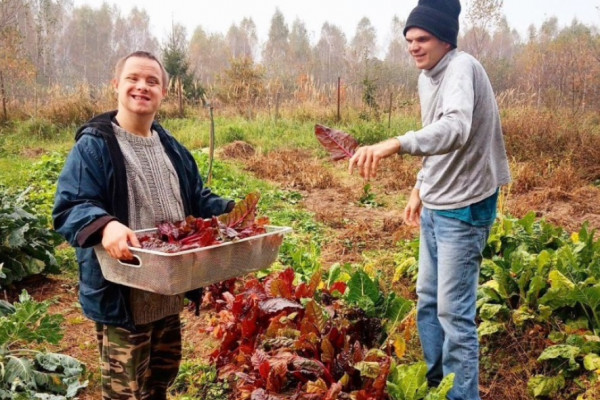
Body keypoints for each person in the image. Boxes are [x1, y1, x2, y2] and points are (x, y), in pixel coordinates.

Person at [348, 1, 511, 399]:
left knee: (454, 313)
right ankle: (439, 386)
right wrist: (420, 185)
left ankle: (461, 395)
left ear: (445, 40)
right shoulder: (427, 77)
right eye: (408, 41)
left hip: (466, 205)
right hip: (438, 201)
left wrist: (396, 144)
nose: (413, 48)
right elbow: (435, 138)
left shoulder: (462, 68)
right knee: (427, 302)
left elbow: (456, 127)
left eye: (422, 39)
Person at [53, 50, 233, 400]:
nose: (142, 86)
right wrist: (105, 226)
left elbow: (196, 198)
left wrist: (231, 211)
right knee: (126, 392)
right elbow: (71, 206)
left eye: (152, 81)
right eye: (133, 78)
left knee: (159, 381)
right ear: (116, 85)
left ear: (164, 91)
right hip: (123, 298)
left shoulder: (173, 148)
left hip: (168, 291)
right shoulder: (95, 146)